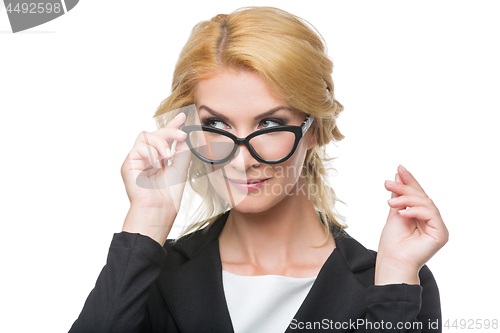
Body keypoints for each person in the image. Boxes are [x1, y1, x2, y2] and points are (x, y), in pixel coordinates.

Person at [69, 6, 448, 333]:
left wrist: (395, 284)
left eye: (268, 125)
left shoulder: (393, 282)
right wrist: (147, 220)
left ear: (313, 129)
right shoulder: (148, 275)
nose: (241, 160)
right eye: (217, 126)